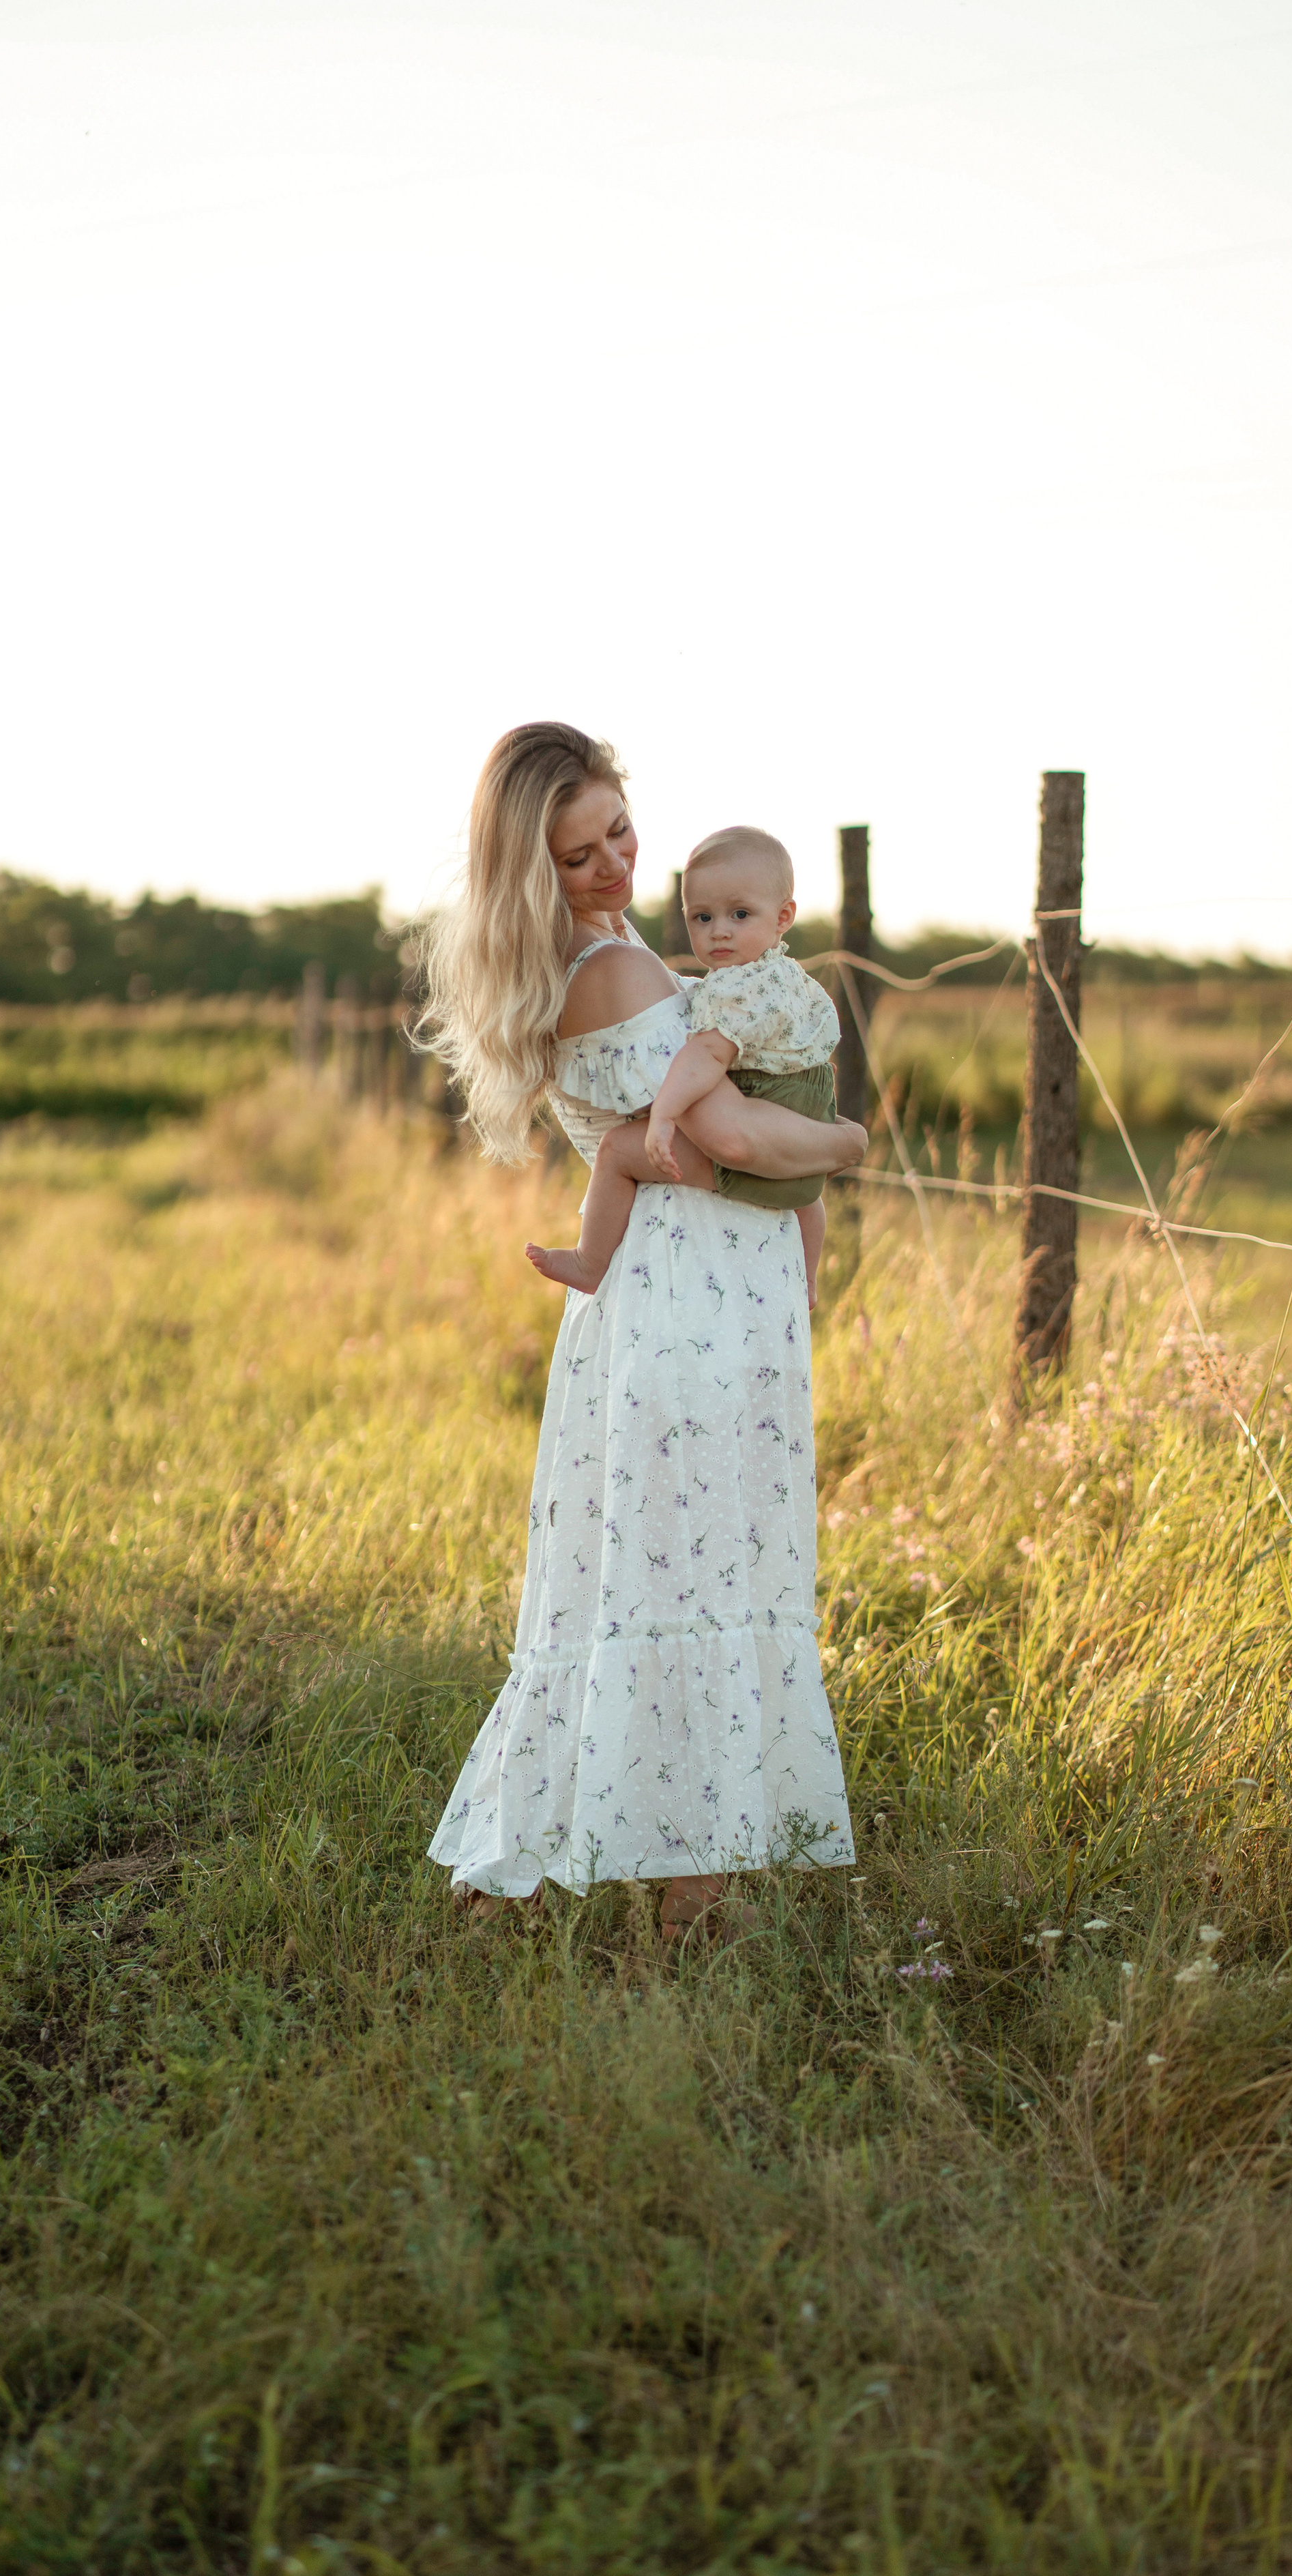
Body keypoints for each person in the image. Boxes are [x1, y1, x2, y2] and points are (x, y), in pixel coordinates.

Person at [418, 722, 863, 1942]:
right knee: (696, 1573)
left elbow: (649, 1139)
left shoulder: (616, 944)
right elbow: (729, 1138)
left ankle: (598, 1880)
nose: (615, 867)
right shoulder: (606, 971)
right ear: (529, 873)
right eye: (578, 856)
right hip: (688, 1312)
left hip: (698, 1300)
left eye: (620, 832)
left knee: (658, 1577)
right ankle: (689, 1905)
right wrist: (849, 1146)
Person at [524, 824, 841, 1310]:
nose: (719, 930)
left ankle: (591, 1261)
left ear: (784, 917)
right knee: (806, 1199)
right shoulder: (786, 976)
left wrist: (667, 1114)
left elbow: (706, 1058)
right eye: (702, 916)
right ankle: (810, 1282)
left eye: (740, 914)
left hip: (763, 1105)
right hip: (806, 1099)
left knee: (616, 1151)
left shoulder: (736, 987)